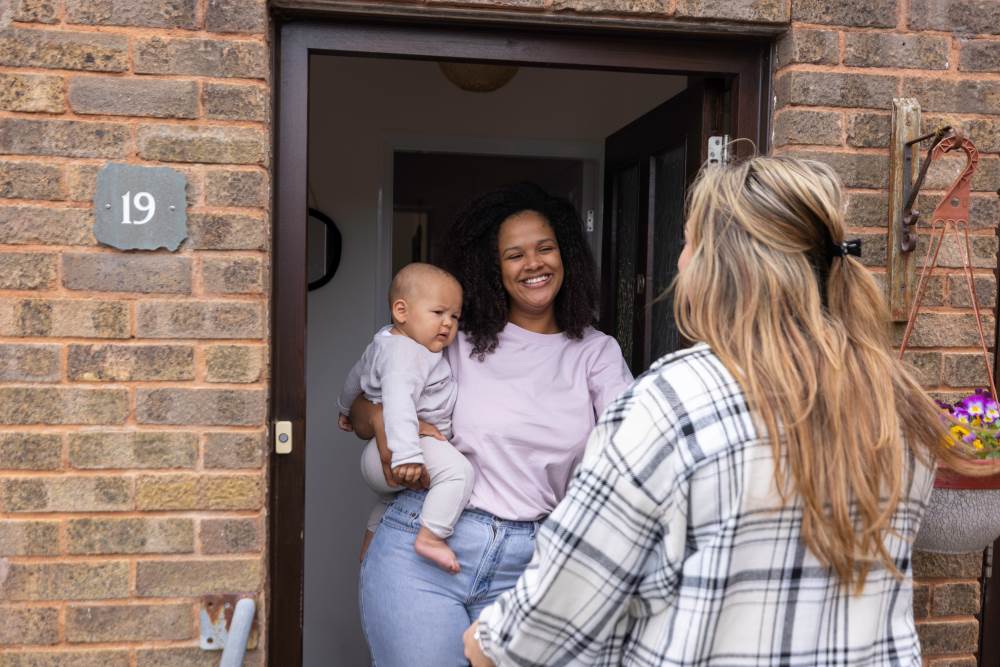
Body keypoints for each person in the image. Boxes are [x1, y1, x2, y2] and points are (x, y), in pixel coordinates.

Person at [464, 156, 982, 666]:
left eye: (689, 242)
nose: (679, 260)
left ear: (723, 264)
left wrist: (488, 641)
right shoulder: (895, 399)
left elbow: (560, 611)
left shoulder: (673, 404)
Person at [348, 183, 633, 666]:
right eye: (514, 254)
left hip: (532, 566)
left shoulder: (596, 353)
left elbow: (634, 453)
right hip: (424, 552)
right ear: (492, 268)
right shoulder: (456, 340)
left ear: (565, 255)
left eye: (545, 248)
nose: (534, 264)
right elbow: (359, 409)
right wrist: (383, 422)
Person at [337, 262, 472, 573]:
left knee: (391, 501)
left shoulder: (384, 341)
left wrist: (344, 408)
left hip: (386, 452)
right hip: (400, 449)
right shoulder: (407, 354)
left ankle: (370, 544)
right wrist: (407, 455)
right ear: (401, 311)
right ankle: (431, 538)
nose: (448, 324)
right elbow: (397, 402)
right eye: (438, 313)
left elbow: (355, 377)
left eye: (454, 316)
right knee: (458, 474)